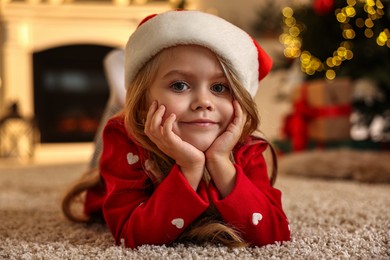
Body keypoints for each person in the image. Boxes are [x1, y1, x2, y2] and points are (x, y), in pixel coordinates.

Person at [62, 10, 291, 249]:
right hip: (131, 136)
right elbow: (133, 237)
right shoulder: (123, 139)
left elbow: (276, 233)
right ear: (144, 102)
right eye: (180, 85)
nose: (204, 101)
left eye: (220, 88)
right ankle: (122, 98)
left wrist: (221, 161)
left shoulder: (246, 147)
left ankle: (123, 94)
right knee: (116, 121)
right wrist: (190, 167)